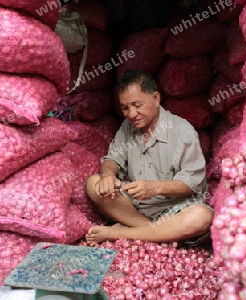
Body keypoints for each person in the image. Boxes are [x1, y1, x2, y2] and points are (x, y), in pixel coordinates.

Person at [84, 69, 214, 246]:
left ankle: (121, 233)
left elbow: (194, 184)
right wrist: (108, 175)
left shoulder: (182, 131)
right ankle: (160, 234)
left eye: (137, 105)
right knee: (94, 184)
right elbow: (113, 159)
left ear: (156, 98)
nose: (131, 114)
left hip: (175, 210)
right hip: (137, 211)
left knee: (202, 217)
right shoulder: (128, 126)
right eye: (125, 108)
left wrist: (155, 188)